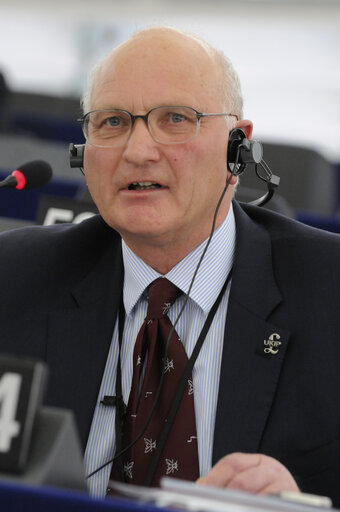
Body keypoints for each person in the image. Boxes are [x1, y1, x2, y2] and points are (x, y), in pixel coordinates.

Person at [0, 26, 340, 504]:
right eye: (112, 122)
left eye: (176, 119)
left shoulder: (330, 292)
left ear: (235, 148)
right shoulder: (15, 278)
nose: (138, 152)